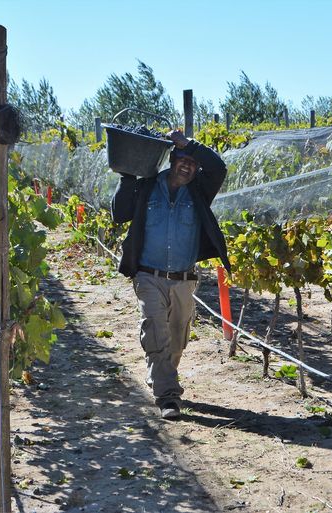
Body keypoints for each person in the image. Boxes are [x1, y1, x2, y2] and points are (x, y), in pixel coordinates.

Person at [112, 129, 231, 419]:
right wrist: (127, 176)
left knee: (177, 338)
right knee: (155, 331)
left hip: (183, 279)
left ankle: (161, 373)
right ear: (172, 160)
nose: (188, 166)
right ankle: (168, 397)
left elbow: (218, 168)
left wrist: (188, 144)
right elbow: (119, 213)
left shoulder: (200, 191)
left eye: (193, 162)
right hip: (148, 276)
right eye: (183, 160)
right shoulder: (147, 186)